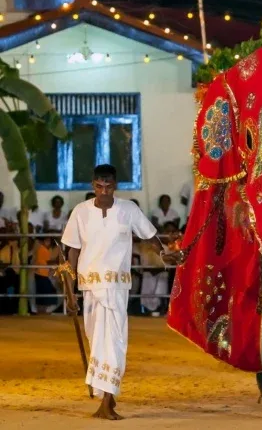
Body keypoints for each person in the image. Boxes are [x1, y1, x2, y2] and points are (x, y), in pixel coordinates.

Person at [61, 164, 178, 419]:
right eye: (99, 186)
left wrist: (163, 253)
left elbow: (150, 235)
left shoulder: (128, 209)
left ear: (116, 186)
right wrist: (69, 290)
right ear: (93, 185)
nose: (104, 191)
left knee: (113, 341)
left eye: (109, 186)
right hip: (89, 286)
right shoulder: (80, 212)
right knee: (96, 341)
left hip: (116, 287)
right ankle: (107, 397)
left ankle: (107, 399)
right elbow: (72, 249)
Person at [32, 236, 58, 314]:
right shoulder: (43, 250)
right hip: (42, 274)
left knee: (42, 294)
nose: (48, 243)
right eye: (47, 241)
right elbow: (47, 262)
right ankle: (42, 311)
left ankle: (42, 311)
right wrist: (57, 261)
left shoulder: (42, 249)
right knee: (46, 293)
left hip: (41, 274)